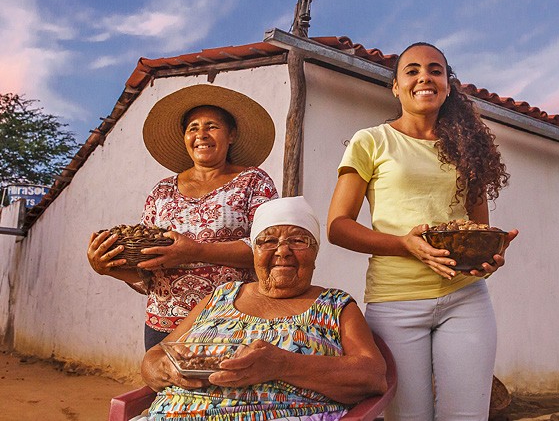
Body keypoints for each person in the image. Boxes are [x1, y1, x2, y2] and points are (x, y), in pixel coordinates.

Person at [327, 42, 519, 421]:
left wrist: (490, 256)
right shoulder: (372, 141)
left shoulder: (468, 149)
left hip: (466, 299)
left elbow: (478, 228)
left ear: (448, 84)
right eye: (411, 71)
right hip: (395, 302)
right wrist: (403, 244)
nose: (424, 77)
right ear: (396, 87)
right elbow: (338, 227)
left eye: (435, 70)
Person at [139, 196, 388, 421]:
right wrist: (166, 370)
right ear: (255, 252)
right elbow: (154, 358)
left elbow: (372, 376)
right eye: (267, 241)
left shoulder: (335, 306)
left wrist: (283, 365)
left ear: (315, 252)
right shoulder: (220, 297)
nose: (282, 251)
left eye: (298, 241)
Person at [87, 85, 279, 350]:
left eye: (212, 126)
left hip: (231, 318)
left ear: (231, 135)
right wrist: (109, 268)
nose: (201, 134)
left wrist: (194, 252)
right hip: (165, 323)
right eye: (193, 128)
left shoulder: (253, 181)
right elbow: (147, 273)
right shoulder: (161, 191)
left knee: (226, 390)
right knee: (165, 391)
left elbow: (269, 249)